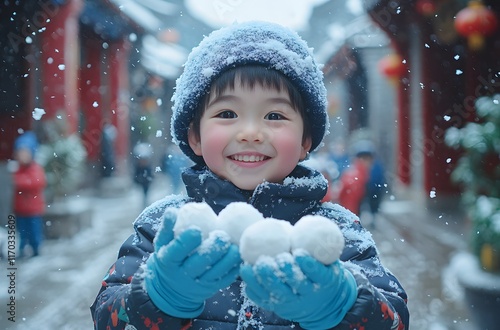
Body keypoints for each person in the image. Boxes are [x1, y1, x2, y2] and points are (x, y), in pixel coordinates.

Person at [91, 21, 409, 329]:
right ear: (195, 137)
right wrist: (158, 296)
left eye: (275, 115)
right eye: (227, 114)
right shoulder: (164, 227)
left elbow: (394, 318)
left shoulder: (335, 232)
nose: (251, 132)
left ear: (305, 141)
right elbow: (107, 315)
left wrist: (342, 304)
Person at [12, 131, 46, 257]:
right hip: (21, 210)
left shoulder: (35, 168)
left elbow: (36, 182)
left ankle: (36, 249)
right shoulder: (17, 169)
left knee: (34, 232)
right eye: (20, 153)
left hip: (33, 210)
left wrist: (20, 181)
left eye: (25, 152)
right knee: (22, 232)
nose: (22, 156)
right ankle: (22, 250)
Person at [334, 140, 376, 217]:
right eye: (369, 159)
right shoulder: (356, 178)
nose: (371, 163)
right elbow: (350, 206)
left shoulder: (357, 174)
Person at [132, 142, 154, 208]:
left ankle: (145, 201)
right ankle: (143, 201)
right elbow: (136, 173)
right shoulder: (139, 167)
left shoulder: (147, 167)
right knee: (142, 192)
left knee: (146, 191)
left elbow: (150, 173)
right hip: (142, 180)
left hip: (146, 180)